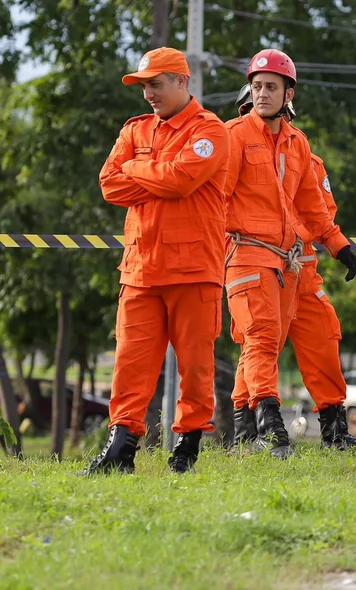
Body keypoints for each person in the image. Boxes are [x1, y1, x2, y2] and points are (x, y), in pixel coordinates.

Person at [85, 46, 230, 475]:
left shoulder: (211, 131)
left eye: (156, 83)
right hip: (140, 270)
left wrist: (137, 170)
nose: (148, 93)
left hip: (194, 271)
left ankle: (185, 451)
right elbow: (109, 185)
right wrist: (156, 175)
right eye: (144, 85)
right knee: (130, 364)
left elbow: (181, 180)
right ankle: (119, 451)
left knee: (196, 366)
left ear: (182, 81)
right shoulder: (134, 130)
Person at [223, 49, 356, 458]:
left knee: (321, 336)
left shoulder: (301, 149)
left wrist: (338, 244)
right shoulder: (233, 136)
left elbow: (318, 209)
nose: (260, 97)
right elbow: (216, 201)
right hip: (251, 256)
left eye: (269, 88)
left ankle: (334, 431)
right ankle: (259, 428)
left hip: (298, 265)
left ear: (288, 96)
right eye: (255, 89)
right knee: (259, 339)